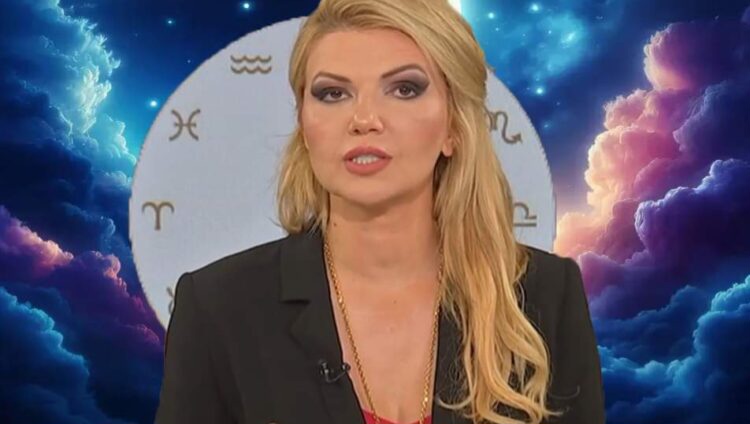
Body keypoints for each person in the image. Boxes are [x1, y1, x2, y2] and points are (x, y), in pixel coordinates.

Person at [153, 0, 606, 423]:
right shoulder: (217, 309)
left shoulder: (546, 296)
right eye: (333, 93)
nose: (364, 119)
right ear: (304, 126)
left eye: (404, 89)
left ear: (453, 126)